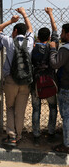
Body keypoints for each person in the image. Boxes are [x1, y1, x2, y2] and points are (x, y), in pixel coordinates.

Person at [0, 7, 34, 146]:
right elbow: (31, 29)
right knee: (20, 110)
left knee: (10, 107)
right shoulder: (30, 41)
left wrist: (11, 20)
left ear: (14, 32)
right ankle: (19, 135)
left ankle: (11, 136)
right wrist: (24, 14)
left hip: (10, 80)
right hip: (25, 81)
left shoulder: (9, 41)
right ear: (24, 32)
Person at [31, 7, 58, 146]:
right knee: (53, 107)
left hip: (36, 81)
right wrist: (51, 14)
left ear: (37, 37)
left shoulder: (33, 48)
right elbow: (55, 30)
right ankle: (51, 132)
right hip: (50, 80)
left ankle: (36, 135)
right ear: (48, 38)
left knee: (36, 108)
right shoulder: (52, 46)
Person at [49, 23, 69, 153]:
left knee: (66, 116)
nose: (61, 35)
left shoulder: (65, 49)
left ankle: (67, 145)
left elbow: (55, 64)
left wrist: (53, 50)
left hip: (66, 87)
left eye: (62, 33)